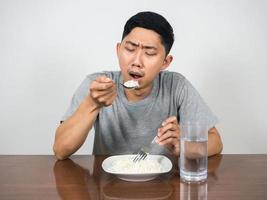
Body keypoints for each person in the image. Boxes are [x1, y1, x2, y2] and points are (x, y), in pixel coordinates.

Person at [53, 11, 223, 160]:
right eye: (130, 49)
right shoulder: (96, 86)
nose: (136, 61)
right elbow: (60, 150)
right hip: (107, 187)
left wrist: (183, 145)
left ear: (165, 62)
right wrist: (92, 103)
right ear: (118, 49)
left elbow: (216, 142)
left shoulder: (177, 86)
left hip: (164, 187)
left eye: (149, 53)